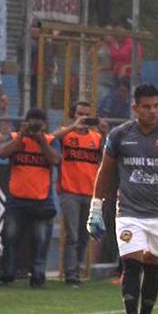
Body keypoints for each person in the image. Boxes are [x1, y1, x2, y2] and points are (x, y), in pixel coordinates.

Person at [87, 83, 158, 314]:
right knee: (132, 264)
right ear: (135, 107)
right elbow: (105, 171)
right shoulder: (120, 135)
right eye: (146, 107)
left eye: (156, 106)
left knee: (153, 265)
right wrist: (96, 207)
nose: (152, 111)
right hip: (129, 212)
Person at [0, 108, 61, 287]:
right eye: (32, 124)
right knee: (9, 237)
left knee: (40, 241)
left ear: (45, 125)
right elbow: (3, 153)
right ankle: (8, 273)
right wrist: (21, 136)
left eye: (38, 125)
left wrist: (41, 141)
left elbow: (55, 160)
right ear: (25, 123)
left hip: (42, 199)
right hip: (16, 198)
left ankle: (38, 276)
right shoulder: (16, 137)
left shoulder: (50, 140)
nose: (34, 128)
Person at [52, 101, 103, 287]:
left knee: (83, 234)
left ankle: (78, 267)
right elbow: (50, 137)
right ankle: (70, 273)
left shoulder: (96, 137)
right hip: (70, 191)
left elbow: (105, 158)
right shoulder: (67, 134)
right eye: (79, 113)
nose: (82, 118)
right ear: (72, 114)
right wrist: (73, 127)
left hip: (90, 192)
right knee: (72, 235)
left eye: (86, 114)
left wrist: (104, 131)